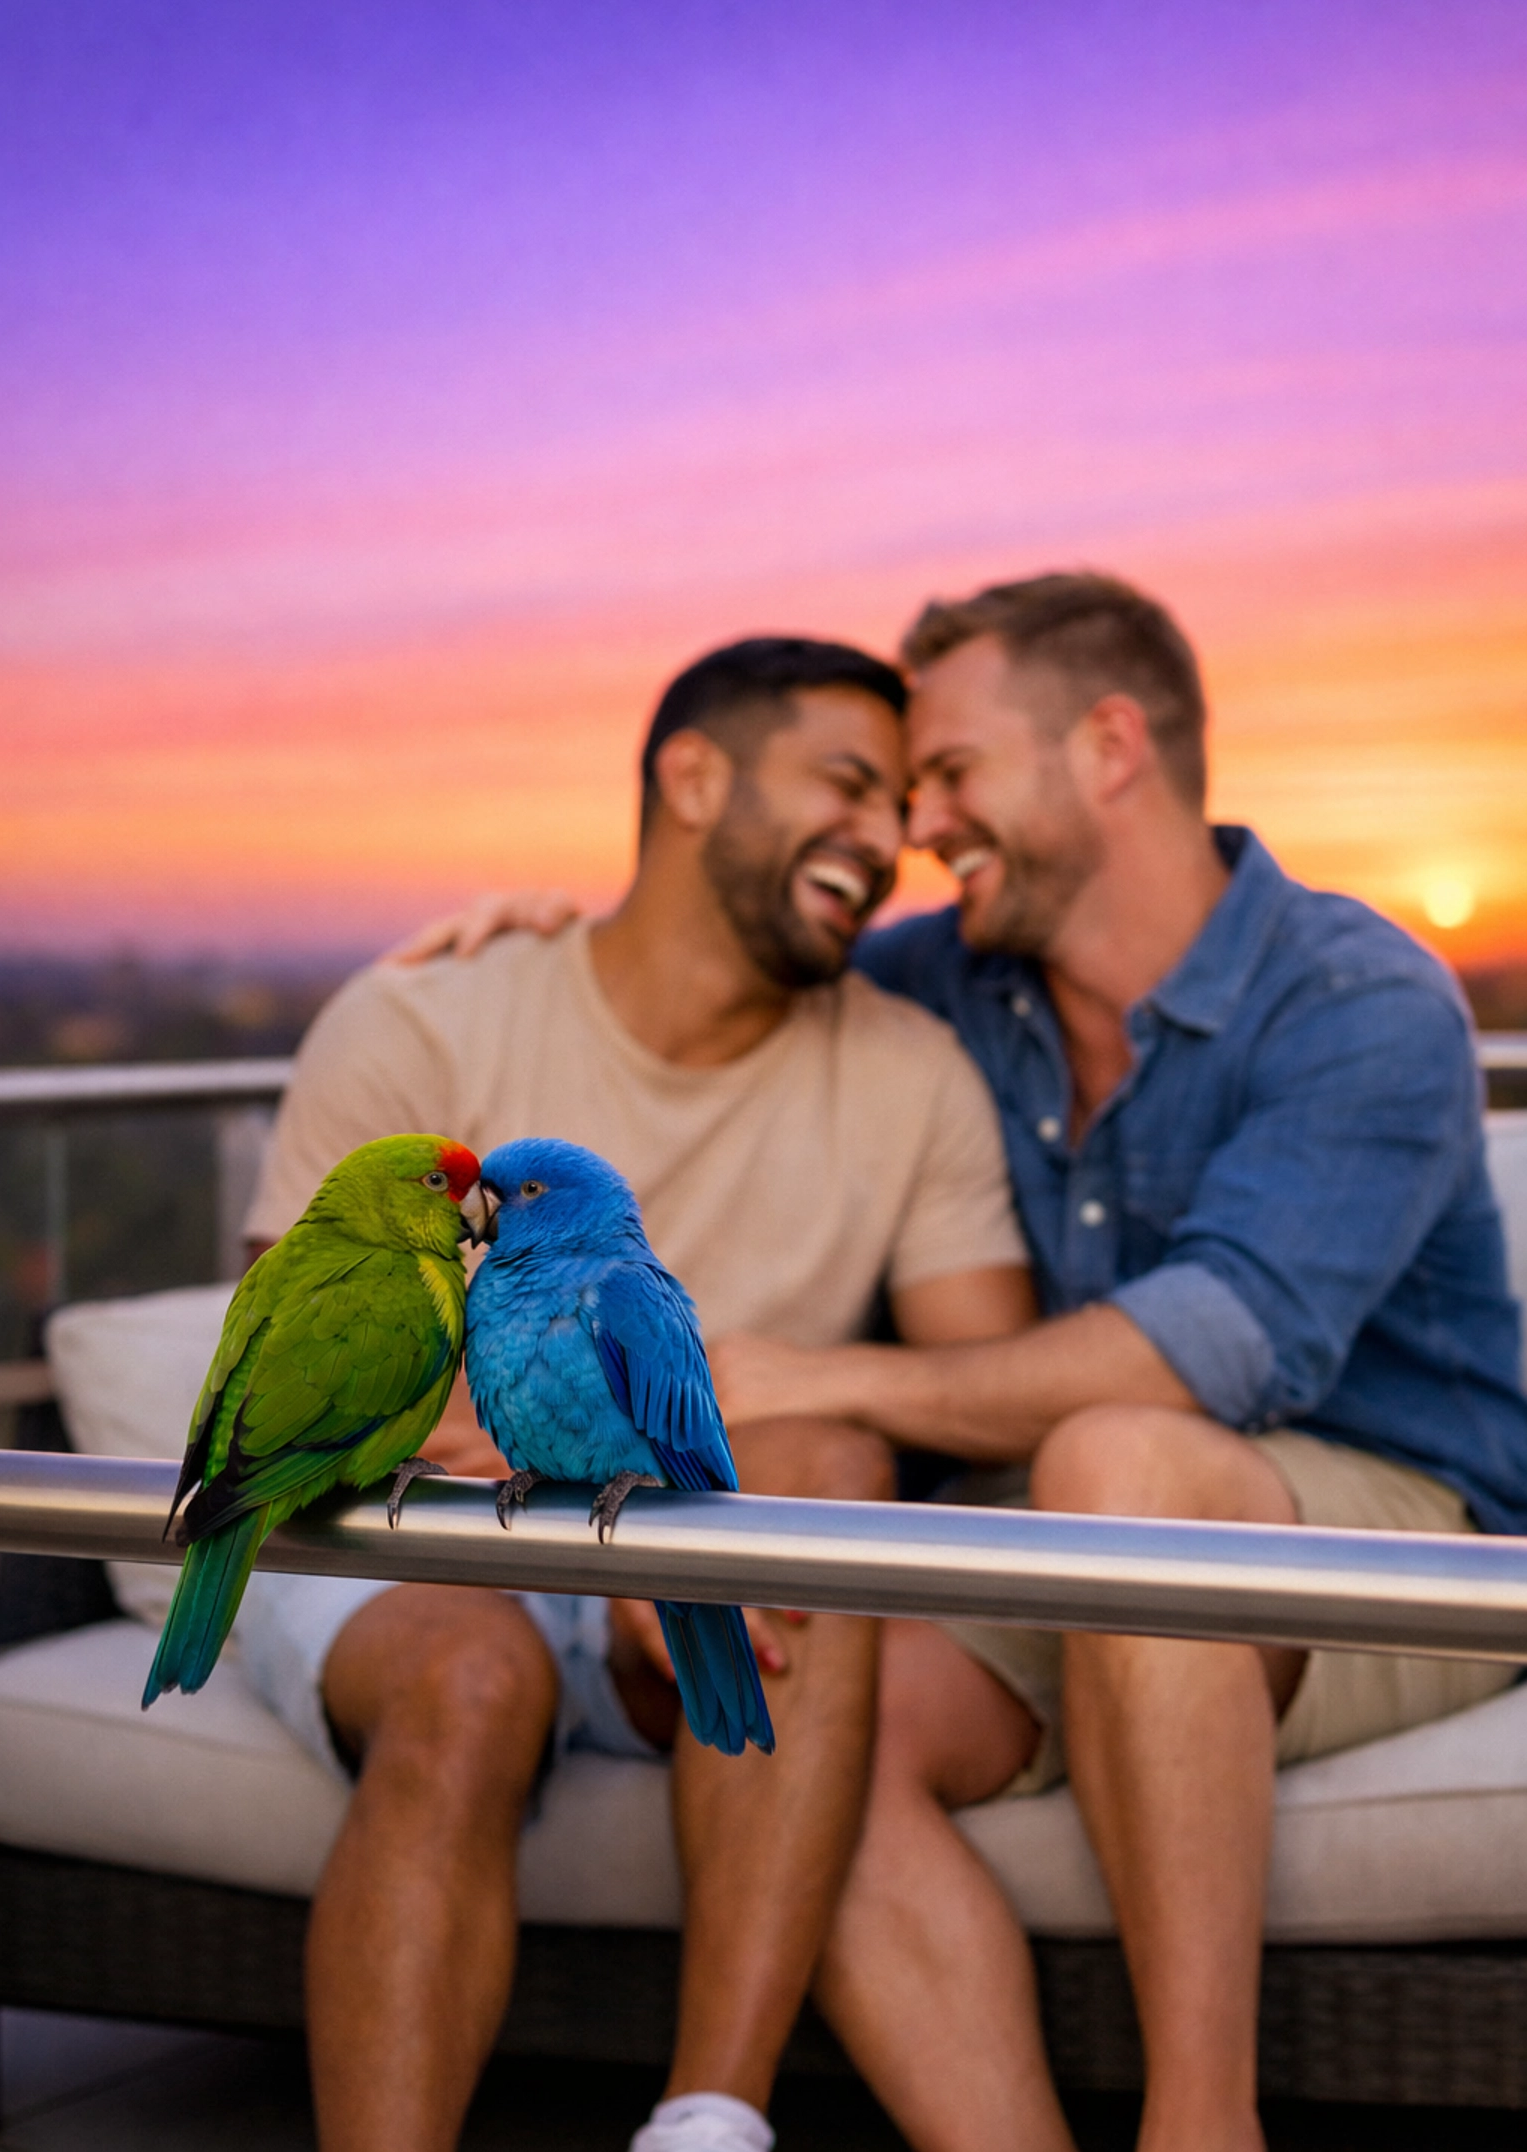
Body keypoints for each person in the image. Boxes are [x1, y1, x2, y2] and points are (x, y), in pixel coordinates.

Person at [442, 574, 1525, 2152]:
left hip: (1399, 1536)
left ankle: (1202, 2130)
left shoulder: (1358, 999)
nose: (918, 823)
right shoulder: (946, 980)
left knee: (1117, 1454)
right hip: (1084, 1529)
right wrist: (537, 946)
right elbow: (713, 953)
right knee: (823, 1709)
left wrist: (820, 1381)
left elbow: (1211, 1350)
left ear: (1107, 745)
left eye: (948, 773)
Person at [236, 635, 1033, 2152]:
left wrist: (664, 1536)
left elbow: (970, 1382)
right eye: (851, 784)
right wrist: (585, 1547)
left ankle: (708, 2122)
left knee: (833, 1464)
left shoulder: (914, 1067)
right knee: (472, 1682)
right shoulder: (427, 1019)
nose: (891, 837)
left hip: (699, 1545)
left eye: (909, 802)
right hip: (413, 1532)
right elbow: (309, 1370)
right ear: (693, 778)